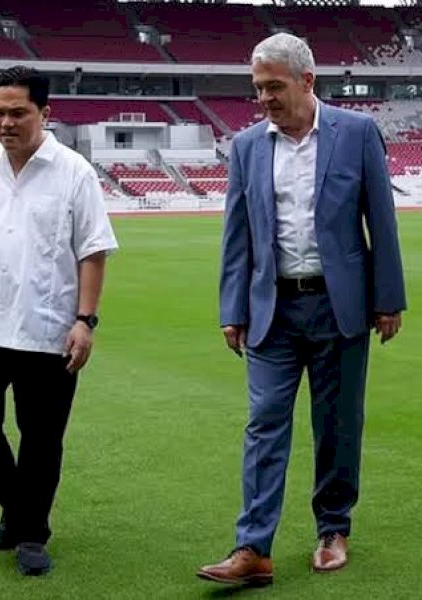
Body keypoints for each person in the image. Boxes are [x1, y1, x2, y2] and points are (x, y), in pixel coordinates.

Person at [198, 33, 406, 586]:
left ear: (306, 80)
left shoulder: (356, 134)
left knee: (336, 425)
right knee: (264, 424)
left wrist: (388, 300)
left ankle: (333, 529)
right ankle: (253, 548)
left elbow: (380, 222)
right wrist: (231, 308)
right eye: (257, 88)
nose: (263, 97)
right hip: (273, 310)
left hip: (341, 307)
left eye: (273, 86)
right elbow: (237, 234)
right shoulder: (246, 146)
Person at [0, 66, 118, 576]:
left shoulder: (74, 172)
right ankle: (19, 506)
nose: (6, 122)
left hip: (48, 326)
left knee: (41, 435)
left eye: (18, 113)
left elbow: (93, 251)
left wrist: (86, 320)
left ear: (44, 114)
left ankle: (31, 535)